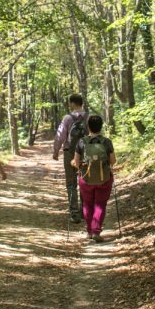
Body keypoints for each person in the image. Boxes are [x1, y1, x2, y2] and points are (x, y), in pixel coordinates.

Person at [72, 113, 116, 242]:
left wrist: (74, 164)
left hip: (86, 178)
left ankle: (89, 231)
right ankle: (96, 231)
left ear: (88, 127)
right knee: (100, 204)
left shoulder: (82, 142)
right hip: (104, 178)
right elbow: (113, 161)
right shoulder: (107, 142)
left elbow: (76, 162)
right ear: (101, 127)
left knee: (87, 204)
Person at [52, 93, 87, 223]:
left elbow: (60, 135)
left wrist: (56, 151)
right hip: (85, 153)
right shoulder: (89, 117)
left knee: (71, 183)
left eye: (70, 103)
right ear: (81, 103)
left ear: (73, 103)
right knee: (85, 181)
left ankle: (74, 214)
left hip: (70, 152)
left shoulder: (67, 118)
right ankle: (85, 212)